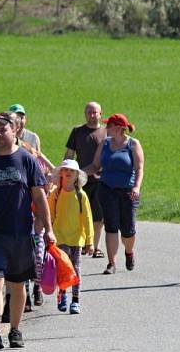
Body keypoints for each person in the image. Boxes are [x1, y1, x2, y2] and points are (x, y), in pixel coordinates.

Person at [0, 112, 55, 350]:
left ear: (14, 130)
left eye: (2, 130)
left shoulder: (26, 160)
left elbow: (39, 196)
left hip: (21, 233)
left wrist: (48, 228)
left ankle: (15, 330)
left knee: (16, 285)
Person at [84, 113, 144, 275]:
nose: (106, 128)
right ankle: (111, 263)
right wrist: (79, 173)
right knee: (110, 227)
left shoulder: (132, 144)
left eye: (109, 126)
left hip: (127, 191)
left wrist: (136, 187)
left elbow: (139, 169)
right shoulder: (104, 143)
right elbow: (95, 166)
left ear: (118, 128)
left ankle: (129, 252)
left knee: (128, 231)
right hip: (106, 189)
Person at [48, 159, 93, 314]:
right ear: (61, 173)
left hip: (76, 238)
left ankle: (75, 300)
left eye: (72, 171)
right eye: (65, 170)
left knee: (76, 268)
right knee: (62, 268)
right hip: (60, 237)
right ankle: (62, 295)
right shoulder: (55, 194)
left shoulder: (81, 195)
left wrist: (90, 241)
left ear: (77, 176)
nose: (68, 173)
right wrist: (49, 234)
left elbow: (87, 218)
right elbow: (50, 215)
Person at [65, 101, 107, 258]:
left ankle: (96, 247)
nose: (92, 115)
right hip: (80, 181)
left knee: (98, 217)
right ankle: (81, 244)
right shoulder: (77, 132)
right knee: (78, 215)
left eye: (95, 112)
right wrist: (66, 172)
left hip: (99, 181)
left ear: (101, 114)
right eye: (89, 112)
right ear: (85, 114)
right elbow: (69, 154)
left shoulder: (106, 133)